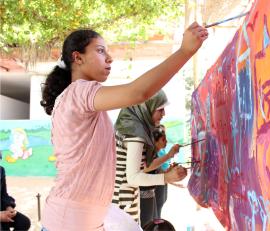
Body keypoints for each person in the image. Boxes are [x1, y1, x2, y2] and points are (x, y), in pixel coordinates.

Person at [40, 22, 208, 231]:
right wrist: (184, 51)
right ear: (78, 57)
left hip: (81, 219)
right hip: (70, 222)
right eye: (101, 51)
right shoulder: (79, 92)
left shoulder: (76, 97)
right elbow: (137, 93)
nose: (109, 58)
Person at [113, 90, 186, 227]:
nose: (164, 114)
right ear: (147, 107)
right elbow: (133, 177)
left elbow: (144, 167)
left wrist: (166, 171)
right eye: (160, 109)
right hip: (123, 202)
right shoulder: (136, 134)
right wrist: (165, 178)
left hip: (122, 200)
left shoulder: (129, 126)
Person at [1, 164, 31, 231]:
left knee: (23, 222)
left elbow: (3, 194)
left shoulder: (1, 170)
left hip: (1, 209)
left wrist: (8, 206)